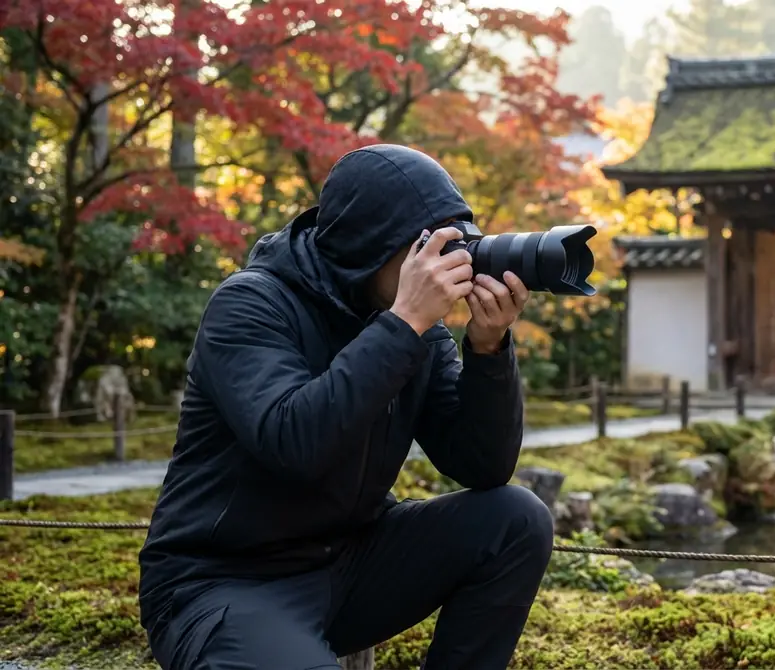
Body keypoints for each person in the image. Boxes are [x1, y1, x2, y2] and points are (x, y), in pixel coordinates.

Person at [137, 144, 554, 670]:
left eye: (454, 243)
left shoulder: (418, 332)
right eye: (428, 246)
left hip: (347, 564)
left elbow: (482, 466)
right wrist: (404, 324)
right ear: (369, 244)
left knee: (516, 519)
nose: (443, 264)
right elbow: (295, 443)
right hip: (222, 581)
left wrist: (488, 350)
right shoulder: (250, 304)